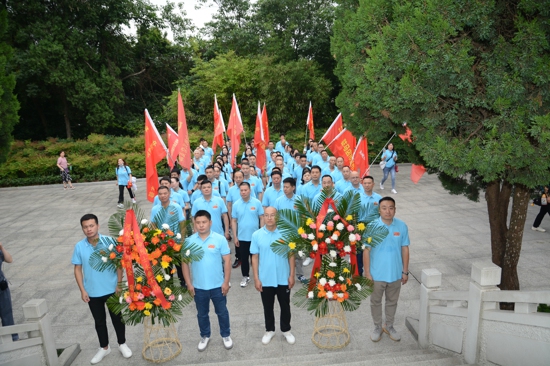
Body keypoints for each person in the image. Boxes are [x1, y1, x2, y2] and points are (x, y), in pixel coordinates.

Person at [72, 214, 132, 364]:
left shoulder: (109, 242)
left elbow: (119, 264)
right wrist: (82, 290)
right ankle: (104, 347)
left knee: (117, 319)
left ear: (98, 226)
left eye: (91, 226)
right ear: (82, 229)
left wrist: (119, 283)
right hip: (92, 291)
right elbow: (77, 269)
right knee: (99, 321)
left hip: (112, 289)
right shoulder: (79, 246)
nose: (89, 229)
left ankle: (122, 343)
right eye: (85, 227)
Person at [181, 210, 233, 352]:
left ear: (210, 223)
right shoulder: (189, 241)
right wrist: (189, 283)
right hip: (199, 287)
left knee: (222, 312)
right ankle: (205, 335)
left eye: (204, 222)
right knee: (202, 314)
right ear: (194, 223)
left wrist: (226, 282)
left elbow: (227, 261)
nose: (201, 225)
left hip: (218, 286)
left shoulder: (219, 239)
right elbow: (184, 263)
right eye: (198, 222)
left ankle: (226, 334)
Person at [363, 197, 410, 342]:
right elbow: (366, 250)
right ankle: (377, 326)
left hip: (395, 273)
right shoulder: (371, 226)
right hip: (377, 274)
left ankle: (389, 325)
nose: (387, 211)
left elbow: (405, 249)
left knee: (392, 302)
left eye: (391, 208)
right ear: (379, 210)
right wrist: (367, 273)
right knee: (375, 302)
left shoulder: (402, 226)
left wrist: (405, 271)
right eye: (384, 208)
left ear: (395, 209)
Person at [251, 207, 296, 345]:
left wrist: (292, 275)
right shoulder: (257, 235)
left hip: (283, 278)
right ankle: (269, 330)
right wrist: (256, 278)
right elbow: (254, 257)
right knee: (267, 307)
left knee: (285, 305)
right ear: (263, 217)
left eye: (272, 215)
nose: (269, 218)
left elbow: (291, 255)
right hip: (266, 279)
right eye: (266, 215)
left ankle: (286, 330)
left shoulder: (286, 233)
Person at [275, 178, 310, 282]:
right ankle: (284, 274)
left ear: (293, 187)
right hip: (283, 232)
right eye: (283, 187)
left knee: (298, 255)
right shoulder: (278, 201)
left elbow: (304, 216)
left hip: (296, 232)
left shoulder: (299, 200)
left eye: (287, 187)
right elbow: (276, 217)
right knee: (284, 255)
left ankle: (300, 274)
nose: (284, 189)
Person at [231, 182, 265, 288]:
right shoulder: (236, 204)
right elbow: (233, 220)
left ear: (250, 190)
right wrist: (235, 236)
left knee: (256, 257)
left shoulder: (257, 203)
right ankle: (245, 276)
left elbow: (262, 218)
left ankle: (259, 276)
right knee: (244, 259)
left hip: (255, 237)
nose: (243, 192)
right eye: (241, 190)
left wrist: (262, 232)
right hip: (242, 237)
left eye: (245, 190)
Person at [357, 176, 382, 275]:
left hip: (374, 227)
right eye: (365, 183)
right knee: (359, 251)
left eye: (369, 183)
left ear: (373, 184)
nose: (367, 185)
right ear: (362, 184)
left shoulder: (378, 198)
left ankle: (373, 273)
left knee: (373, 251)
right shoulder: (357, 197)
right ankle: (358, 273)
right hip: (360, 227)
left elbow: (382, 213)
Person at [0, 242, 18, 342]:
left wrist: (2, 247)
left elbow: (9, 259)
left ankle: (13, 338)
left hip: (2, 289)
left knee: (7, 315)